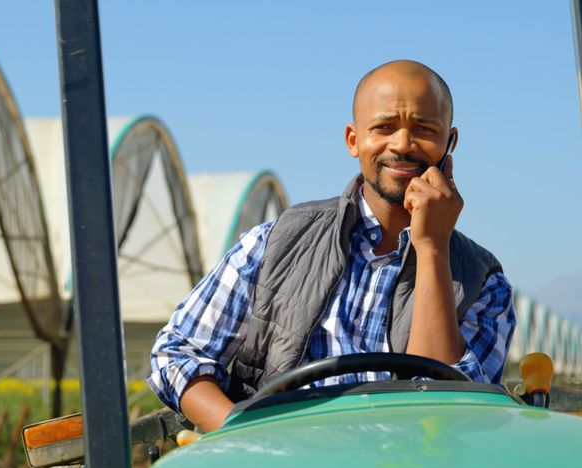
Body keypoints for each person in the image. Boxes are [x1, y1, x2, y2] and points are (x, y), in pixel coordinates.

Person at [148, 60, 516, 432]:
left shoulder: (483, 282)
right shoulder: (276, 243)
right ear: (354, 140)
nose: (403, 144)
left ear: (449, 142)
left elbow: (447, 416)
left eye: (424, 129)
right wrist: (245, 441)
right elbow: (178, 354)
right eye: (384, 127)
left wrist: (432, 247)